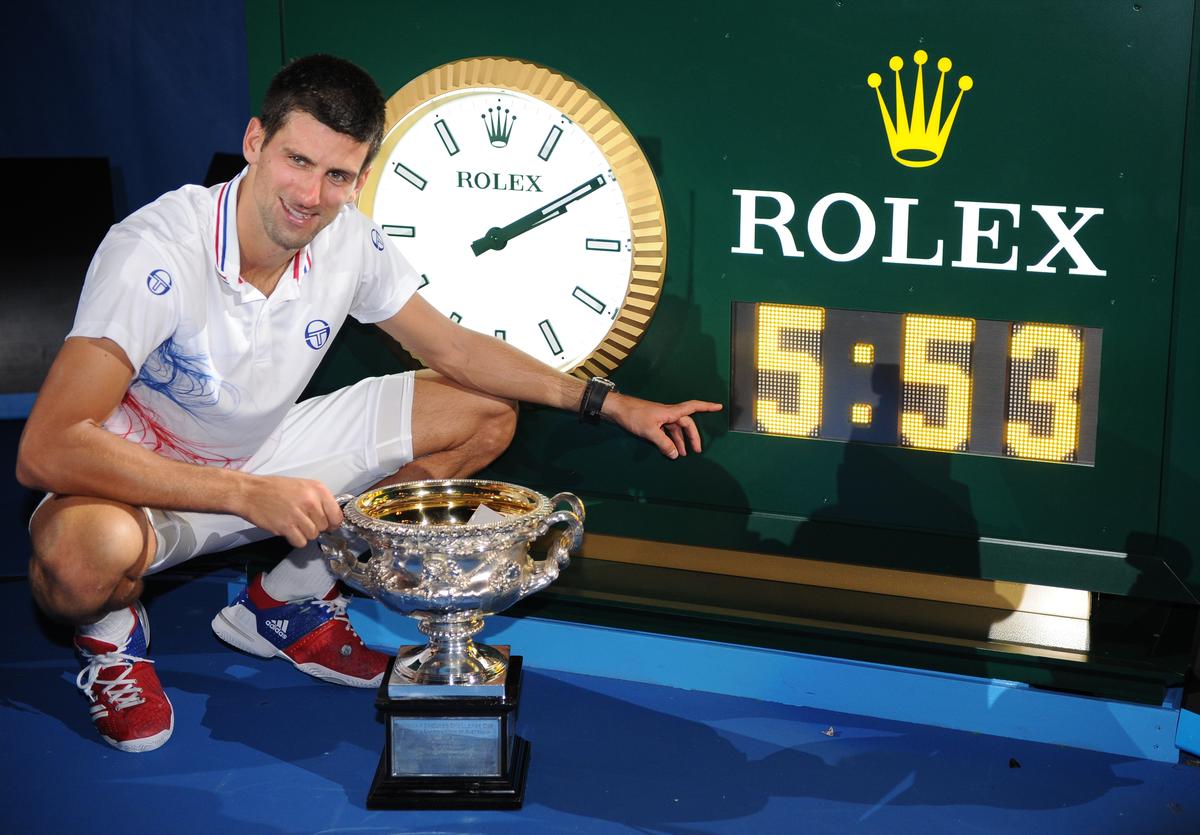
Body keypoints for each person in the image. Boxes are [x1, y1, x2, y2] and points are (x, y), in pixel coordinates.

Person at [14, 54, 721, 753]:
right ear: (255, 142)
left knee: (481, 413)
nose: (311, 195)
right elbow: (47, 447)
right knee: (81, 561)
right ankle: (111, 639)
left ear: (360, 176)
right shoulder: (154, 252)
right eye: (297, 161)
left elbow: (456, 350)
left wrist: (608, 400)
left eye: (338, 175)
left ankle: (283, 604)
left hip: (263, 455)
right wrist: (246, 492)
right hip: (140, 482)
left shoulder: (344, 235)